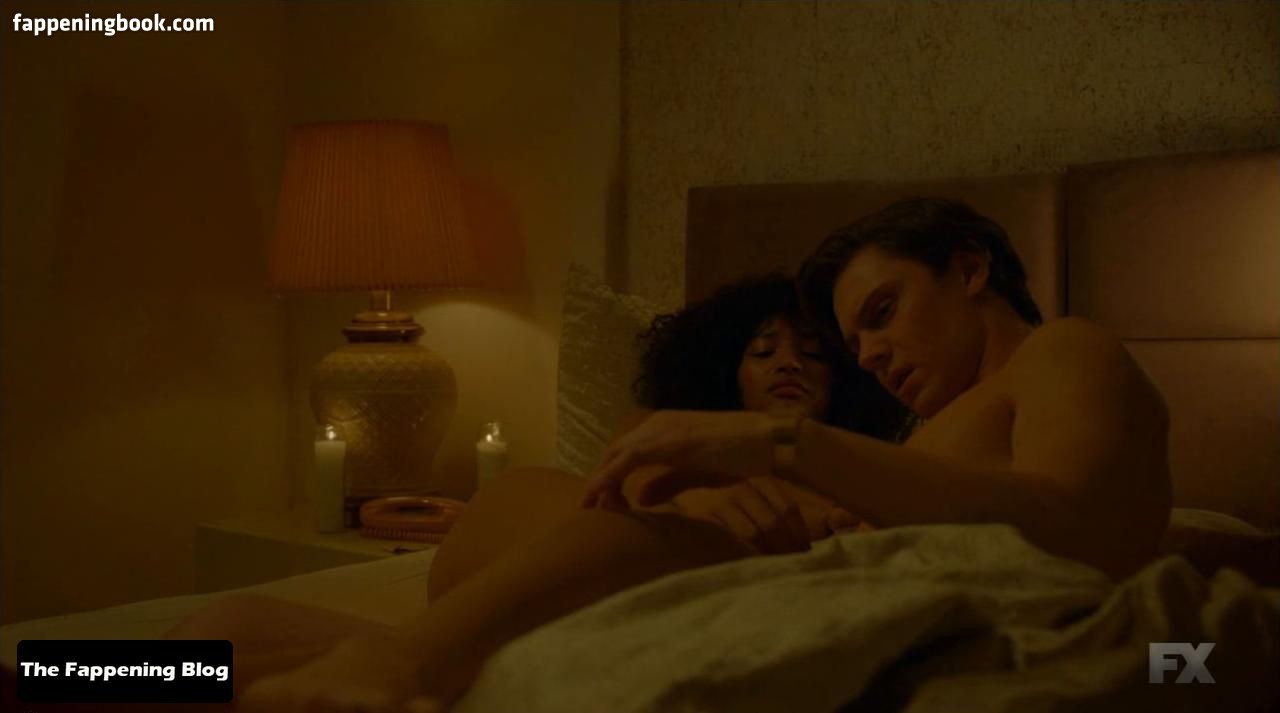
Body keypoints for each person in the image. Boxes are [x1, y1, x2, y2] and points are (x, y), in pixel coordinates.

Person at [232, 198, 1174, 711]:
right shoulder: (929, 434)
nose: (874, 356)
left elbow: (1084, 520)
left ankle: (402, 662)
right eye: (858, 343)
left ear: (969, 268)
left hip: (775, 583)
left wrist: (783, 446)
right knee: (223, 635)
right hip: (732, 570)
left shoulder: (1065, 350)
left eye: (882, 313)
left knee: (646, 521)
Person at [166, 274, 904, 711]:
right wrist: (691, 500)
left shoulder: (863, 471)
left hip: (584, 632)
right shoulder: (669, 442)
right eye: (763, 350)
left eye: (814, 355)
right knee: (216, 628)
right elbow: (627, 475)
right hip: (513, 599)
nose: (789, 364)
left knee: (226, 638)